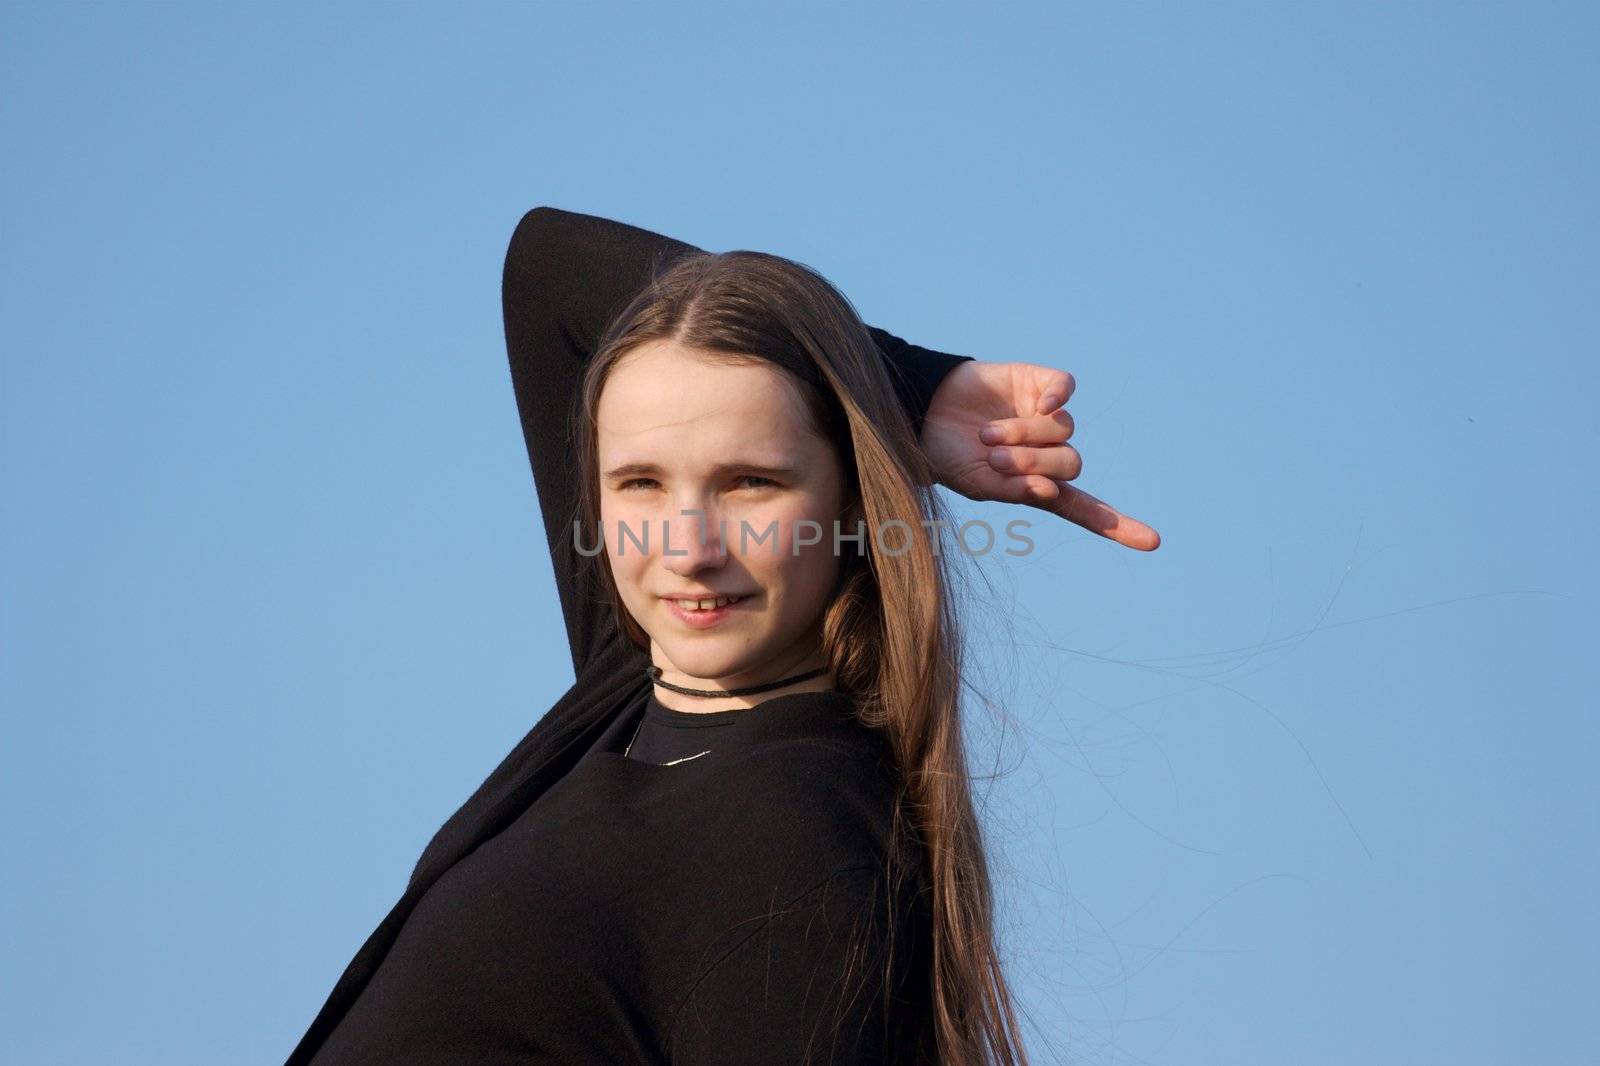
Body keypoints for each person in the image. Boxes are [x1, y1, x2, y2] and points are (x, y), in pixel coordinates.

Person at [284, 207, 1159, 1065]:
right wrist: (909, 385)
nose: (687, 550)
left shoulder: (797, 843)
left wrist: (864, 393)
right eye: (639, 484)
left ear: (855, 500)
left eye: (749, 483)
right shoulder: (630, 683)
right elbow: (548, 265)